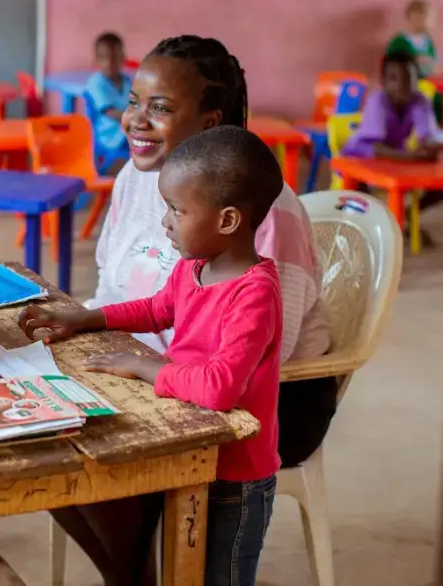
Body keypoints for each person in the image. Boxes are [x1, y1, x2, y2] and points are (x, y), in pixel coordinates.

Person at [30, 35, 333, 586]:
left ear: (212, 120)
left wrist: (147, 372)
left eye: (161, 108)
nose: (135, 121)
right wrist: (87, 320)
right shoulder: (145, 188)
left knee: (110, 464)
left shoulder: (262, 228)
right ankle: (133, 575)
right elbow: (148, 300)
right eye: (133, 102)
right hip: (172, 378)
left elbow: (255, 363)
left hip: (258, 408)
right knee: (48, 439)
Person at [21, 125, 285, 586]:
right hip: (186, 441)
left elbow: (220, 387)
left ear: (227, 221)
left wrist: (147, 367)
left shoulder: (254, 294)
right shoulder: (195, 265)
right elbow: (157, 309)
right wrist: (86, 318)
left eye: (177, 209)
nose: (165, 221)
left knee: (215, 577)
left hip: (235, 472)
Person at [341, 51, 443, 228]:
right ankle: (371, 227)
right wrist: (414, 157)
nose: (402, 85)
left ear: (417, 81)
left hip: (395, 159)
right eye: (394, 79)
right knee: (362, 196)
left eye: (408, 79)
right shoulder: (378, 101)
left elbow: (428, 137)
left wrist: (431, 147)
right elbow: (376, 148)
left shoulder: (420, 101)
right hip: (360, 157)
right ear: (384, 82)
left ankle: (406, 215)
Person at [86, 32, 132, 152]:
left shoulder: (127, 81)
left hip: (128, 129)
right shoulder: (96, 83)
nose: (109, 62)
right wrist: (134, 119)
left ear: (123, 57)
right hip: (109, 135)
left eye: (114, 57)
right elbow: (109, 112)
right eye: (103, 58)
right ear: (96, 60)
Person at [386, 0, 438, 79]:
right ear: (412, 17)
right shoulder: (400, 41)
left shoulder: (428, 42)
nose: (430, 22)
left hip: (425, 83)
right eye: (427, 16)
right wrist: (413, 60)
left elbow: (433, 61)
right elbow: (391, 64)